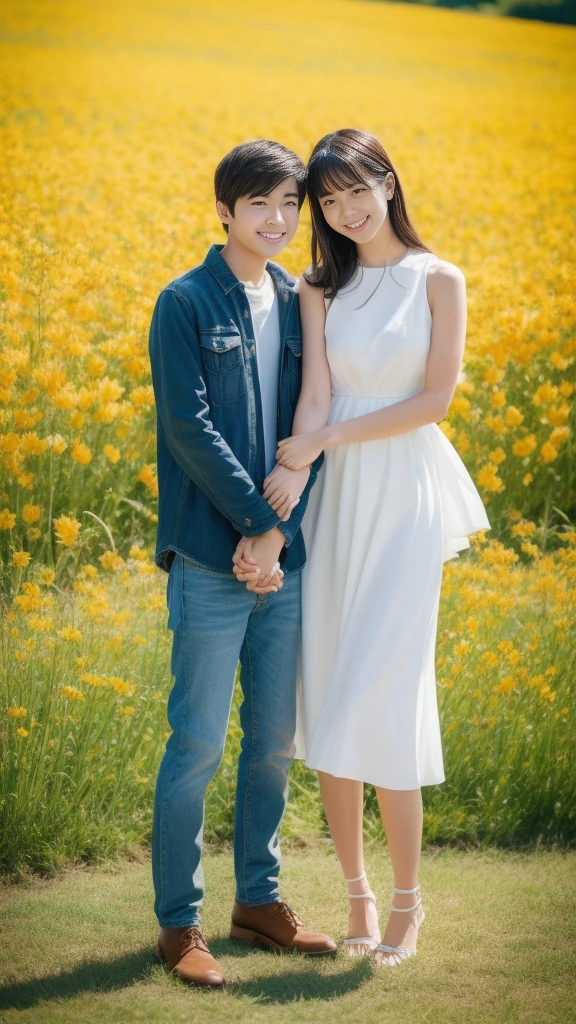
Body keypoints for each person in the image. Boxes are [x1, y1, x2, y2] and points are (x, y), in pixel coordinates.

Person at [271, 129, 490, 966]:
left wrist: (325, 438)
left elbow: (434, 401)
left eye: (357, 189)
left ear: (389, 182)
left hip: (402, 495)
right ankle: (357, 900)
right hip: (335, 502)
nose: (345, 209)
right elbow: (315, 392)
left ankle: (408, 904)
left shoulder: (440, 279)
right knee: (328, 694)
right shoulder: (320, 286)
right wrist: (294, 478)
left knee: (386, 690)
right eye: (327, 200)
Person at [148, 139, 336, 988]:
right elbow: (190, 430)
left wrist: (279, 535)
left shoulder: (302, 300)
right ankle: (179, 925)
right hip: (212, 557)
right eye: (259, 203)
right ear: (224, 208)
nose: (277, 220)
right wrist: (257, 526)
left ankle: (258, 902)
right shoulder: (183, 301)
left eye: (290, 206)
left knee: (272, 746)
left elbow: (321, 411)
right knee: (196, 746)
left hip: (282, 564)